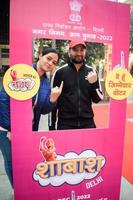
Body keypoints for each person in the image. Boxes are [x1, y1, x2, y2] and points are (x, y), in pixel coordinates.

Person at [0, 47, 63, 187]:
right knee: (11, 161)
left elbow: (43, 109)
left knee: (25, 161)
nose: (51, 63)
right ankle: (16, 190)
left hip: (30, 129)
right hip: (7, 130)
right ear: (40, 55)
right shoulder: (22, 72)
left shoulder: (46, 83)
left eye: (54, 62)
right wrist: (11, 128)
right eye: (48, 58)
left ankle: (24, 189)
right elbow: (3, 99)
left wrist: (53, 99)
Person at [51, 40, 103, 130]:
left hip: (88, 123)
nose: (79, 53)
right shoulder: (60, 72)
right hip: (65, 124)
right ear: (69, 51)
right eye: (75, 50)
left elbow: (97, 99)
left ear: (85, 52)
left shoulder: (92, 72)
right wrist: (51, 126)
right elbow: (53, 102)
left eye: (81, 50)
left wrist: (94, 84)